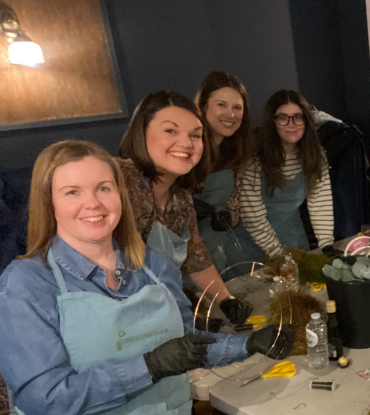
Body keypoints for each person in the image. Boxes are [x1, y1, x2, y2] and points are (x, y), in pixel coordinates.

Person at [0, 140, 293, 415]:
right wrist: (149, 366)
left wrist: (246, 345)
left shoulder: (152, 265)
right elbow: (46, 398)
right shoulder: (26, 284)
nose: (93, 203)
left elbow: (184, 346)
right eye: (72, 192)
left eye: (103, 188)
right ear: (48, 203)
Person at [116, 91, 252, 325]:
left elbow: (194, 255)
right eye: (170, 131)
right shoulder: (115, 180)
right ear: (142, 133)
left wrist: (225, 299)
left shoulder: (180, 197)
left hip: (154, 316)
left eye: (195, 135)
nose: (186, 143)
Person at [239, 90, 334, 257]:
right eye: (283, 118)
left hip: (293, 235)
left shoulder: (315, 154)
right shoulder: (254, 159)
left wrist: (326, 246)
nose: (292, 124)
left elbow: (320, 203)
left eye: (298, 117)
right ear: (272, 121)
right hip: (255, 242)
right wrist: (279, 255)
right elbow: (253, 217)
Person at [194, 71, 261, 272]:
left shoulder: (238, 150)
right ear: (203, 107)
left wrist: (229, 214)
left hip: (223, 239)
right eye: (221, 105)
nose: (230, 115)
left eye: (237, 108)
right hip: (189, 246)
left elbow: (236, 203)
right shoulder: (187, 148)